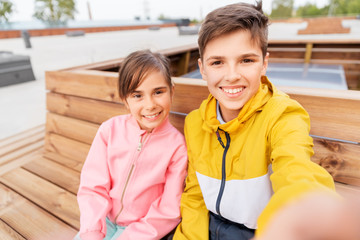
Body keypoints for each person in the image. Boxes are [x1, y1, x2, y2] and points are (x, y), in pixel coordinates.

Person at [173, 1, 336, 240]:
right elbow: (195, 193)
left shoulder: (283, 116)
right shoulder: (196, 122)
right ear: (202, 68)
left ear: (264, 63)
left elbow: (297, 174)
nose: (231, 76)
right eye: (217, 62)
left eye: (246, 60)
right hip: (206, 226)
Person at [74, 50, 188, 240]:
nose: (150, 104)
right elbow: (93, 185)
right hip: (103, 222)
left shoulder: (177, 147)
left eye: (158, 92)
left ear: (171, 91)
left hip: (143, 231)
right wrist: (92, 231)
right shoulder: (109, 130)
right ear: (125, 100)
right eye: (137, 96)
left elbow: (168, 208)